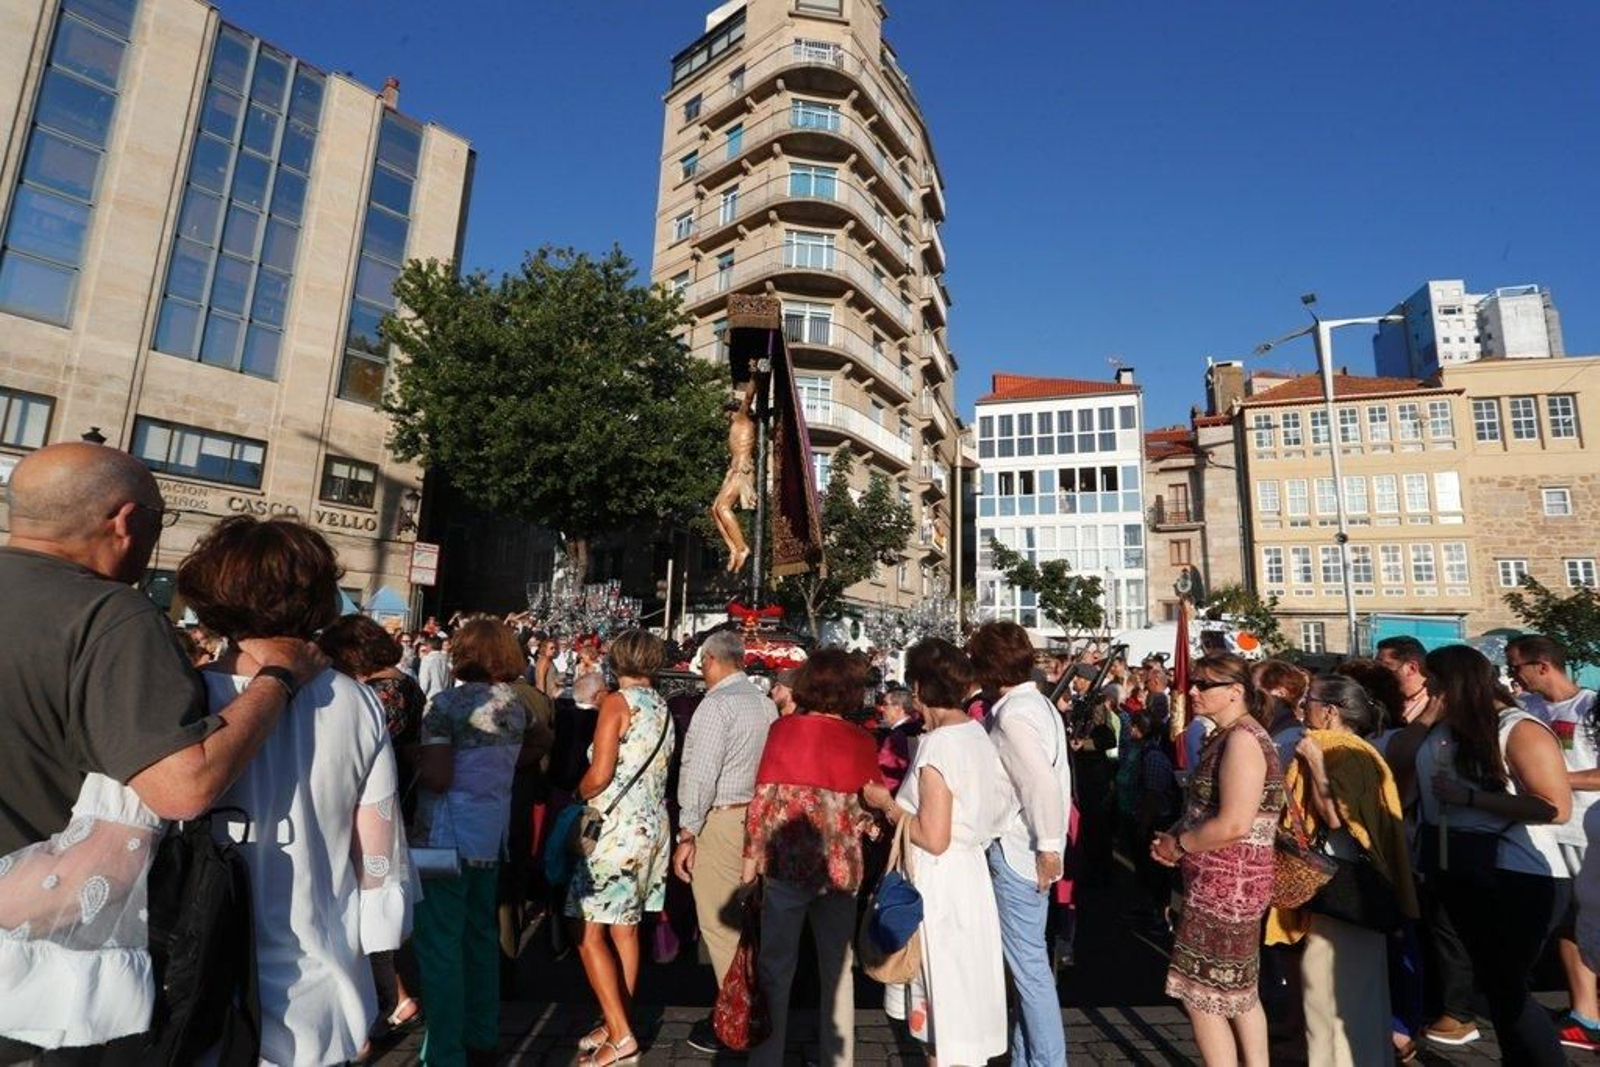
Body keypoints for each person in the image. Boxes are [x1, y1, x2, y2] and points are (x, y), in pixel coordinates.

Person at [0, 444, 328, 1060]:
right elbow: (182, 786)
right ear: (127, 521)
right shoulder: (108, 615)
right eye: (158, 521)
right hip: (44, 974)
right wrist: (277, 680)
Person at [176, 517, 412, 1065]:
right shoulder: (357, 701)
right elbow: (375, 858)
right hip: (319, 983)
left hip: (200, 980)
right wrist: (380, 962)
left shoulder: (189, 691)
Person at [1404, 643, 1573, 1065]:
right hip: (1457, 866)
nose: (1429, 691)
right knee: (1494, 986)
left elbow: (1553, 806)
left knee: (1506, 986)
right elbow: (1399, 761)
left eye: (1437, 684)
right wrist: (1426, 716)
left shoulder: (1517, 727)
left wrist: (1471, 798)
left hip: (1519, 873)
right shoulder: (1444, 727)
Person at [863, 640, 1010, 1065]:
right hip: (969, 877)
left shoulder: (940, 744)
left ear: (919, 686)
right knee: (962, 1003)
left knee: (941, 1010)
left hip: (941, 883)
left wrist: (884, 804)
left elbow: (933, 835)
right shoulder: (975, 733)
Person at [1266, 674, 1418, 1066]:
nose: (1303, 708)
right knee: (1351, 993)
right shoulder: (1353, 748)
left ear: (1330, 711)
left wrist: (1315, 765)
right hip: (1343, 884)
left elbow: (1338, 819)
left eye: (1309, 701)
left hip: (1343, 883)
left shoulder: (1342, 751)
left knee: (1329, 994)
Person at [742, 648, 881, 1067]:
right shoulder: (862, 740)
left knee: (775, 967)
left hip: (786, 865)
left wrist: (749, 867)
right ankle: (838, 1059)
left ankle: (766, 1057)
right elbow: (869, 816)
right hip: (840, 869)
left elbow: (762, 804)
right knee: (837, 970)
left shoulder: (783, 732)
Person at [1151, 653, 1283, 1067]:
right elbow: (1211, 810)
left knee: (1202, 996)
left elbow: (1233, 823)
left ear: (1235, 692)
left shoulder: (1242, 739)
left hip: (1228, 886)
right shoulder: (1229, 734)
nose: (1192, 691)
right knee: (1238, 993)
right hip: (1226, 881)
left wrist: (1180, 845)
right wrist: (1177, 832)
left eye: (1203, 684)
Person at [411, 618, 532, 1066]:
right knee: (480, 937)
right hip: (489, 835)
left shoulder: (445, 705)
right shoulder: (516, 705)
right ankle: (481, 1033)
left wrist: (411, 761)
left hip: (442, 836)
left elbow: (438, 778)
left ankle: (443, 1051)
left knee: (440, 945)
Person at [317, 613, 429, 1036]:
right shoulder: (399, 685)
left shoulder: (381, 693)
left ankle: (385, 1000)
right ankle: (391, 997)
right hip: (389, 791)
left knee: (362, 895)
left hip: (378, 796)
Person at [567, 630, 675, 1067]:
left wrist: (578, 792)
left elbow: (600, 774)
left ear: (618, 660)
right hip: (652, 826)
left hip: (615, 829)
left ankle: (622, 1032)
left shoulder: (617, 703)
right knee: (626, 928)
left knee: (586, 929)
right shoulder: (664, 707)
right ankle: (618, 1022)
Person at [967, 621, 1069, 1067]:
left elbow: (1040, 786)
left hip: (1018, 849)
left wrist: (1049, 847)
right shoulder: (1035, 705)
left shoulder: (1013, 714)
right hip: (1028, 848)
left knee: (1029, 972)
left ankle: (1047, 1062)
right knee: (1028, 968)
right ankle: (1030, 1059)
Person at [670, 631, 776, 1055]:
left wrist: (688, 831)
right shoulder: (763, 702)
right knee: (747, 920)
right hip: (752, 816)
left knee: (721, 924)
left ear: (713, 660)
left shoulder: (716, 705)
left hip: (723, 817)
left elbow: (700, 773)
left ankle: (737, 1014)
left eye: (703, 662)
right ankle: (747, 1007)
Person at [1505, 634, 1600, 1049]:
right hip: (1546, 831)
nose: (1513, 678)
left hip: (1587, 828)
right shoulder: (1525, 710)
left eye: (1517, 668)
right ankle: (1585, 1014)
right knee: (1567, 923)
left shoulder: (1591, 707)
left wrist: (1553, 781)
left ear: (1543, 665)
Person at [875, 685, 922, 793]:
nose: (881, 708)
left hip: (897, 794)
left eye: (886, 704)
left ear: (899, 708)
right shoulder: (919, 727)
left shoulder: (896, 737)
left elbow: (885, 776)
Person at [1376, 636, 1432, 725]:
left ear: (1412, 668)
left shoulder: (1435, 705)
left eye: (1385, 667)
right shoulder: (1378, 697)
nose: (1378, 672)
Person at [417, 633, 452, 700]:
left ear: (429, 646)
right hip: (446, 697)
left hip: (432, 698)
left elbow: (424, 683)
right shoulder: (447, 659)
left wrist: (419, 698)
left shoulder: (427, 660)